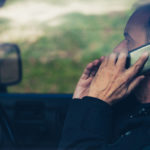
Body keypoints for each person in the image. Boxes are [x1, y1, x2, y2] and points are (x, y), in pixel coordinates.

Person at [58, 4, 150, 150]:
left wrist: (95, 103)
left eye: (129, 41)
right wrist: (85, 102)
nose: (117, 49)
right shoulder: (127, 106)